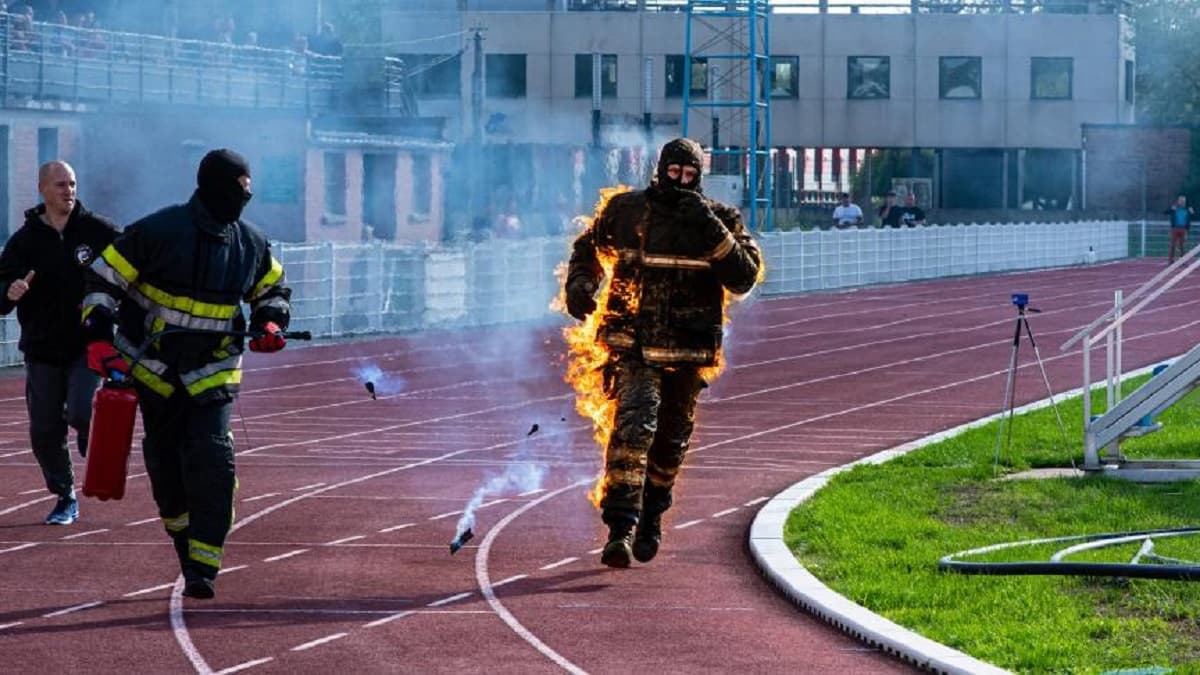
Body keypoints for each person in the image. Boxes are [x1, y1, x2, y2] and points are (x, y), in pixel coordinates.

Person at [82, 149, 292, 599]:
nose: (243, 201)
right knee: (166, 462)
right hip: (154, 369)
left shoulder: (251, 244)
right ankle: (184, 542)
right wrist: (98, 337)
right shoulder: (157, 231)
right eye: (237, 190)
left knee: (212, 460)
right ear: (212, 188)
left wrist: (272, 322)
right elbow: (102, 282)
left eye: (247, 193)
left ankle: (203, 567)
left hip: (214, 371)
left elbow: (272, 290)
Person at [565, 138, 762, 568]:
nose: (680, 182)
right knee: (634, 425)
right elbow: (588, 249)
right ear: (660, 170)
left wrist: (707, 226)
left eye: (690, 176)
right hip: (631, 343)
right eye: (674, 173)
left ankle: (651, 517)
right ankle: (620, 527)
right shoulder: (625, 210)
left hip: (688, 349)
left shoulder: (720, 219)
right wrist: (580, 284)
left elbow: (744, 278)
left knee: (670, 441)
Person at [0, 161, 119, 525]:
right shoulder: (25, 241)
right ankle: (65, 495)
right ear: (42, 189)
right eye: (60, 185)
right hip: (41, 348)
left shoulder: (99, 231)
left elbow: (130, 272)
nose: (68, 190)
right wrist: (10, 291)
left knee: (83, 410)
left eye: (72, 183)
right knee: (43, 430)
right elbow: (1, 294)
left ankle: (87, 430)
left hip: (88, 345)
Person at [1166, 194, 1194, 264]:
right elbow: (1165, 212)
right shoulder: (1174, 208)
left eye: (1183, 200)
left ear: (1185, 201)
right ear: (1178, 201)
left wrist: (1192, 213)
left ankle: (1183, 260)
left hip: (1184, 229)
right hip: (1174, 228)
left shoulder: (1188, 209)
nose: (1182, 202)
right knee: (1172, 245)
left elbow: (1193, 216)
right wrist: (1171, 209)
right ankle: (1171, 261)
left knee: (1182, 246)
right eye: (1180, 200)